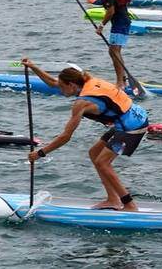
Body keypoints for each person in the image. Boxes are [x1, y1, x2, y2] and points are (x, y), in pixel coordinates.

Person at [24, 60, 149, 211]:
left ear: (71, 85)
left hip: (132, 127)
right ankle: (113, 199)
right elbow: (52, 82)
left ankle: (130, 205)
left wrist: (40, 153)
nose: (60, 90)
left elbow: (66, 136)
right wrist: (33, 67)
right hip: (129, 120)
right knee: (94, 153)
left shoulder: (82, 103)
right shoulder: (87, 81)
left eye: (62, 87)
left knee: (103, 163)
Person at [65, 0, 132, 88]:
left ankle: (120, 83)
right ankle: (122, 80)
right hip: (121, 20)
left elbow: (111, 10)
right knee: (114, 51)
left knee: (114, 51)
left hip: (120, 22)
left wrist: (101, 26)